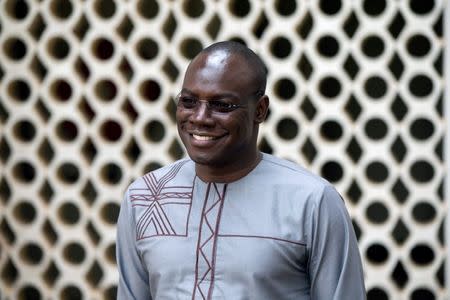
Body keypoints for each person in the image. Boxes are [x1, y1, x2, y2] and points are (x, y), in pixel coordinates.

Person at [116, 41, 366, 299]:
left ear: (260, 110)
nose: (200, 117)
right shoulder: (144, 198)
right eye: (189, 102)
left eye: (222, 105)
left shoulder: (312, 201)